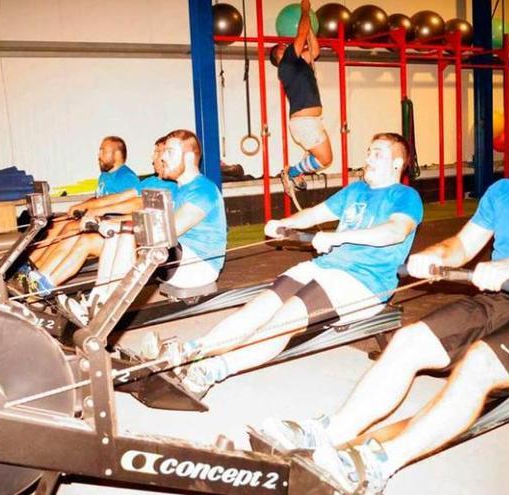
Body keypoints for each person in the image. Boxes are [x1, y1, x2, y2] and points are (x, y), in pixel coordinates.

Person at [259, 103, 509, 494]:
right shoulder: (504, 192)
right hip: (499, 300)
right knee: (408, 340)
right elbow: (463, 246)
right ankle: (331, 432)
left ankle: (380, 464)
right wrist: (435, 256)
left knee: (479, 363)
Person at [153, 133, 422, 399]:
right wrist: (286, 223)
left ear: (397, 163)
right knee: (260, 306)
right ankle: (191, 350)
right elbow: (315, 214)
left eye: (377, 154)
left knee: (285, 318)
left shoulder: (405, 196)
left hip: (364, 281)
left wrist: (337, 237)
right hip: (326, 268)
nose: (368, 158)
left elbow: (394, 232)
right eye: (368, 151)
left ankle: (211, 371)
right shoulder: (356, 190)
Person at [85, 129, 227, 314]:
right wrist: (111, 222)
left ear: (190, 157)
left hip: (199, 267)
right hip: (177, 260)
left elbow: (169, 231)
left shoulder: (203, 190)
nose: (163, 158)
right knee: (119, 234)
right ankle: (97, 300)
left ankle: (108, 306)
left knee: (128, 233)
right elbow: (147, 217)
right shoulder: (176, 189)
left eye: (170, 152)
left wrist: (120, 226)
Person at [15, 136, 140, 295]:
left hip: (108, 224)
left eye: (103, 150)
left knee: (70, 228)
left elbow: (126, 204)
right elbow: (99, 198)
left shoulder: (126, 177)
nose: (99, 154)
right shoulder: (105, 176)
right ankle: (32, 264)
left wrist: (90, 209)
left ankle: (39, 273)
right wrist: (82, 205)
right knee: (55, 223)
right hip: (96, 217)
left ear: (117, 154)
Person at [269, 0, 333, 198]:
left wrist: (311, 29)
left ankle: (295, 173)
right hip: (304, 123)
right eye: (282, 46)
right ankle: (292, 173)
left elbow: (314, 51)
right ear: (279, 56)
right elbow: (301, 34)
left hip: (312, 121)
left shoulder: (299, 64)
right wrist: (305, 11)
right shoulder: (286, 63)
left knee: (325, 159)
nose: (285, 45)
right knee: (325, 159)